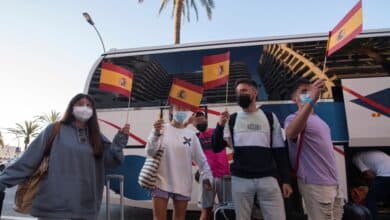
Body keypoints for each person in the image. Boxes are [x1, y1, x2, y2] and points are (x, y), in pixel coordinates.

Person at [0, 93, 129, 220]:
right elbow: (29, 159)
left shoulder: (97, 137)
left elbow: (111, 162)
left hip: (86, 208)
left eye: (89, 105)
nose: (85, 108)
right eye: (80, 104)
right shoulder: (54, 129)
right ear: (71, 107)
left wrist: (120, 140)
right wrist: (3, 180)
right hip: (54, 208)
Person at [212, 79, 292, 220]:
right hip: (240, 180)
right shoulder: (232, 120)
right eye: (237, 92)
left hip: (268, 179)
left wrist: (286, 180)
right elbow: (216, 146)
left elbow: (280, 152)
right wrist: (219, 125)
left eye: (244, 90)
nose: (240, 94)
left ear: (255, 92)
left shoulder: (270, 118)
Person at [284, 78, 343, 220]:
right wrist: (310, 101)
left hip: (333, 184)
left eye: (310, 91)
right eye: (303, 91)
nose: (308, 94)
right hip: (315, 184)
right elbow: (291, 132)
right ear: (294, 98)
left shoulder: (320, 120)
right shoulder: (293, 118)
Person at [146, 105, 213, 220]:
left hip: (183, 183)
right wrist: (155, 134)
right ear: (172, 110)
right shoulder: (161, 129)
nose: (181, 111)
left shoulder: (191, 135)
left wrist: (207, 177)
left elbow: (201, 160)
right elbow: (150, 152)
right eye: (178, 108)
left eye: (184, 109)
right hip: (161, 181)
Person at [188, 111, 230, 220]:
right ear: (194, 124)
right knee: (206, 210)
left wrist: (226, 121)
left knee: (228, 210)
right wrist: (189, 123)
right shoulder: (194, 137)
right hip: (207, 178)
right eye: (197, 119)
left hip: (224, 176)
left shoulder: (217, 132)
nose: (200, 120)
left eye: (202, 117)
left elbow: (231, 142)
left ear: (206, 119)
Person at [352, 150, 390, 220]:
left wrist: (366, 182)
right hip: (386, 173)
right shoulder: (368, 154)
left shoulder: (355, 158)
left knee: (370, 198)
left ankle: (373, 218)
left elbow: (369, 174)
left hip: (385, 175)